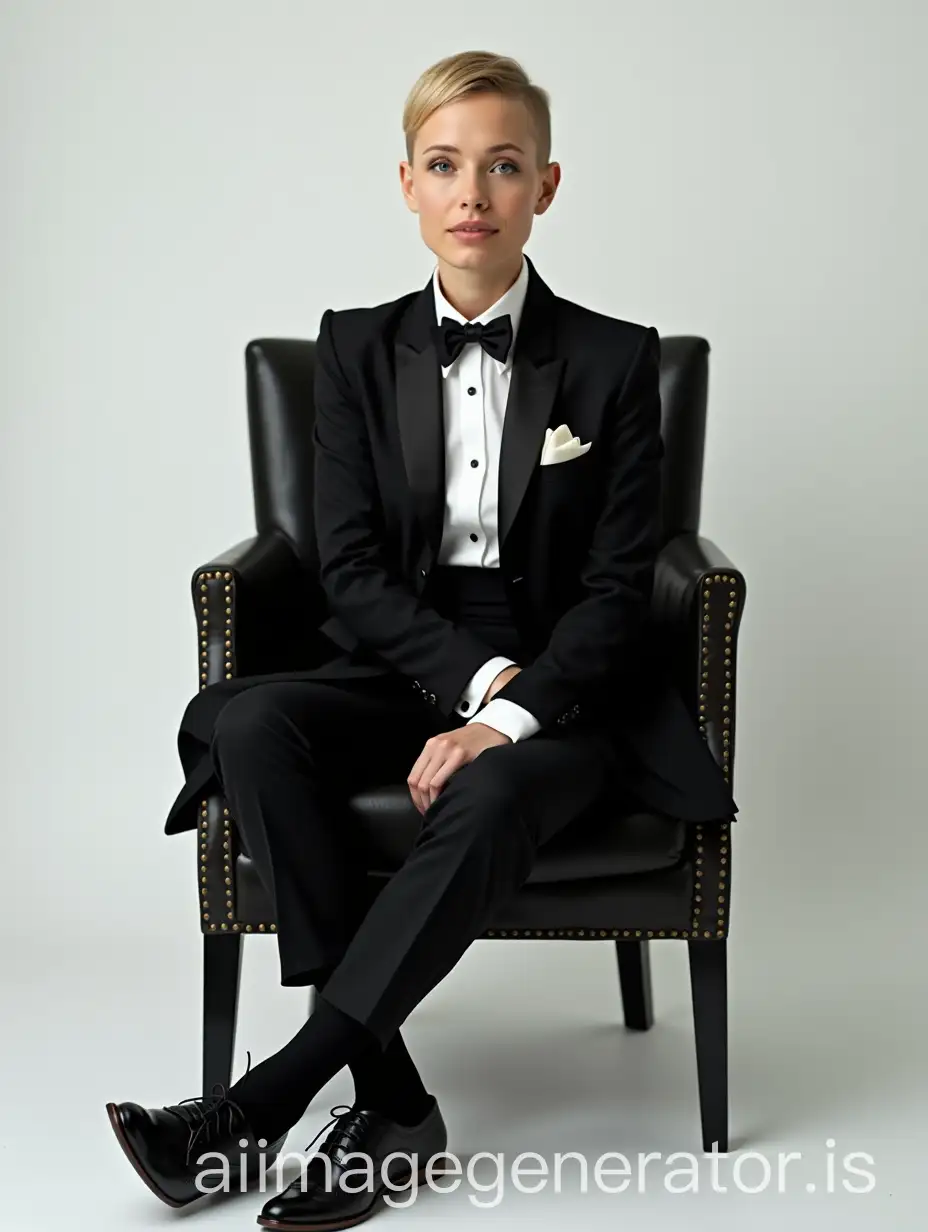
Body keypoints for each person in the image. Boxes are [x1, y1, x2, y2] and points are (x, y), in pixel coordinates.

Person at [105, 49, 738, 1228]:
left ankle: (257, 1103)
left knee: (488, 797)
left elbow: (614, 594)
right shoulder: (353, 346)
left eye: (502, 166)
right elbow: (342, 566)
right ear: (405, 184)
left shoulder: (611, 359)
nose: (472, 193)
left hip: (569, 686)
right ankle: (392, 1096)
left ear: (544, 186)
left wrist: (505, 713)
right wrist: (466, 681)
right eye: (445, 165)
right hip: (401, 658)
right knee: (251, 720)